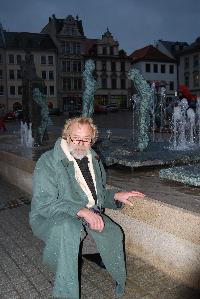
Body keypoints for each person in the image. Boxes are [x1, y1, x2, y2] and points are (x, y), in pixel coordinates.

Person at [29, 116, 145, 299]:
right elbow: (44, 203)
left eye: (86, 139)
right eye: (76, 138)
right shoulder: (48, 161)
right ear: (67, 136)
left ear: (92, 140)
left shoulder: (94, 160)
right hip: (53, 215)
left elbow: (96, 197)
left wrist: (116, 196)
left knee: (113, 232)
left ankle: (95, 255)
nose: (81, 144)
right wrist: (81, 211)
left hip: (85, 213)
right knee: (69, 230)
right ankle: (66, 288)